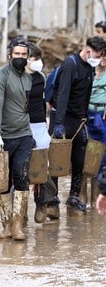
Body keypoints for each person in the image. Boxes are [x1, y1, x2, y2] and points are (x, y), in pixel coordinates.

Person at [47, 36, 106, 217]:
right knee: (57, 161)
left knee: (80, 160)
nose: (98, 59)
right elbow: (63, 95)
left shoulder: (89, 67)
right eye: (97, 55)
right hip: (62, 118)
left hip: (79, 120)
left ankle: (73, 197)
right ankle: (52, 200)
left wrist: (85, 117)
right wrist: (58, 124)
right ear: (87, 51)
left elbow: (86, 93)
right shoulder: (70, 65)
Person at [0, 36, 35, 241]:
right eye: (17, 54)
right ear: (9, 55)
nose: (20, 58)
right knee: (2, 183)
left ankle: (18, 225)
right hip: (2, 136)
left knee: (22, 177)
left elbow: (28, 105)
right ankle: (6, 224)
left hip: (24, 134)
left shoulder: (28, 77)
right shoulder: (0, 76)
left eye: (24, 55)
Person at [25, 42, 54, 223]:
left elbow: (44, 102)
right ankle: (19, 213)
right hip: (20, 125)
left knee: (42, 166)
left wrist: (46, 124)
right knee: (20, 168)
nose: (37, 62)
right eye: (34, 59)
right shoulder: (17, 78)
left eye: (38, 58)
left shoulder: (41, 77)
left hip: (39, 124)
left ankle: (42, 203)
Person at [80, 51, 106, 208]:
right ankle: (81, 195)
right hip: (85, 117)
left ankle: (96, 196)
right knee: (83, 155)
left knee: (100, 156)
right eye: (101, 55)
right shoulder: (87, 73)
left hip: (102, 119)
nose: (103, 59)